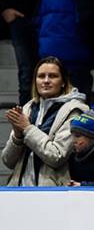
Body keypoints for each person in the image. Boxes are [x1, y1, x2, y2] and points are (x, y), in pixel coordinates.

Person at [2, 56, 87, 186]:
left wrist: (27, 128)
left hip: (53, 193)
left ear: (63, 82)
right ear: (35, 81)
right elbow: (8, 161)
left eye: (52, 76)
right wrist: (18, 137)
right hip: (20, 191)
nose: (46, 81)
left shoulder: (75, 111)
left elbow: (57, 156)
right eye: (41, 76)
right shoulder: (27, 108)